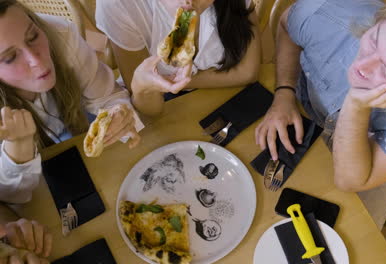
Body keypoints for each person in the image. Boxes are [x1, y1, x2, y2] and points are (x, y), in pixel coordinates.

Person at [255, 0, 386, 228]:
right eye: (374, 40)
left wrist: (356, 105)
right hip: (299, 105)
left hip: (370, 155)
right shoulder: (324, 10)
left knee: (354, 231)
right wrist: (284, 92)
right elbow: (288, 27)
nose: (362, 67)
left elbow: (350, 181)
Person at [0, 0, 144, 204]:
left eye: (32, 36)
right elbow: (16, 199)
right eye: (10, 57)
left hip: (80, 129)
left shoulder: (60, 34)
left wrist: (118, 114)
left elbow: (108, 96)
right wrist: (18, 148)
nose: (36, 60)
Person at [95, 0, 261, 116]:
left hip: (223, 98)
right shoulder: (119, 4)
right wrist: (145, 86)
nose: (188, 2)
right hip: (162, 107)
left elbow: (248, 72)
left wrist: (173, 82)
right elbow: (150, 108)